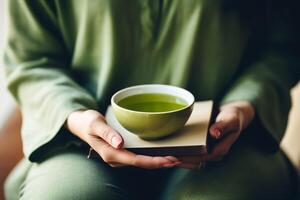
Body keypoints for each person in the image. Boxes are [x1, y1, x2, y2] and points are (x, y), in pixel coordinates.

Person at [3, 0, 299, 199]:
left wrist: (245, 104)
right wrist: (75, 115)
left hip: (225, 141)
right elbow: (30, 59)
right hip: (81, 142)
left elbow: (284, 48)